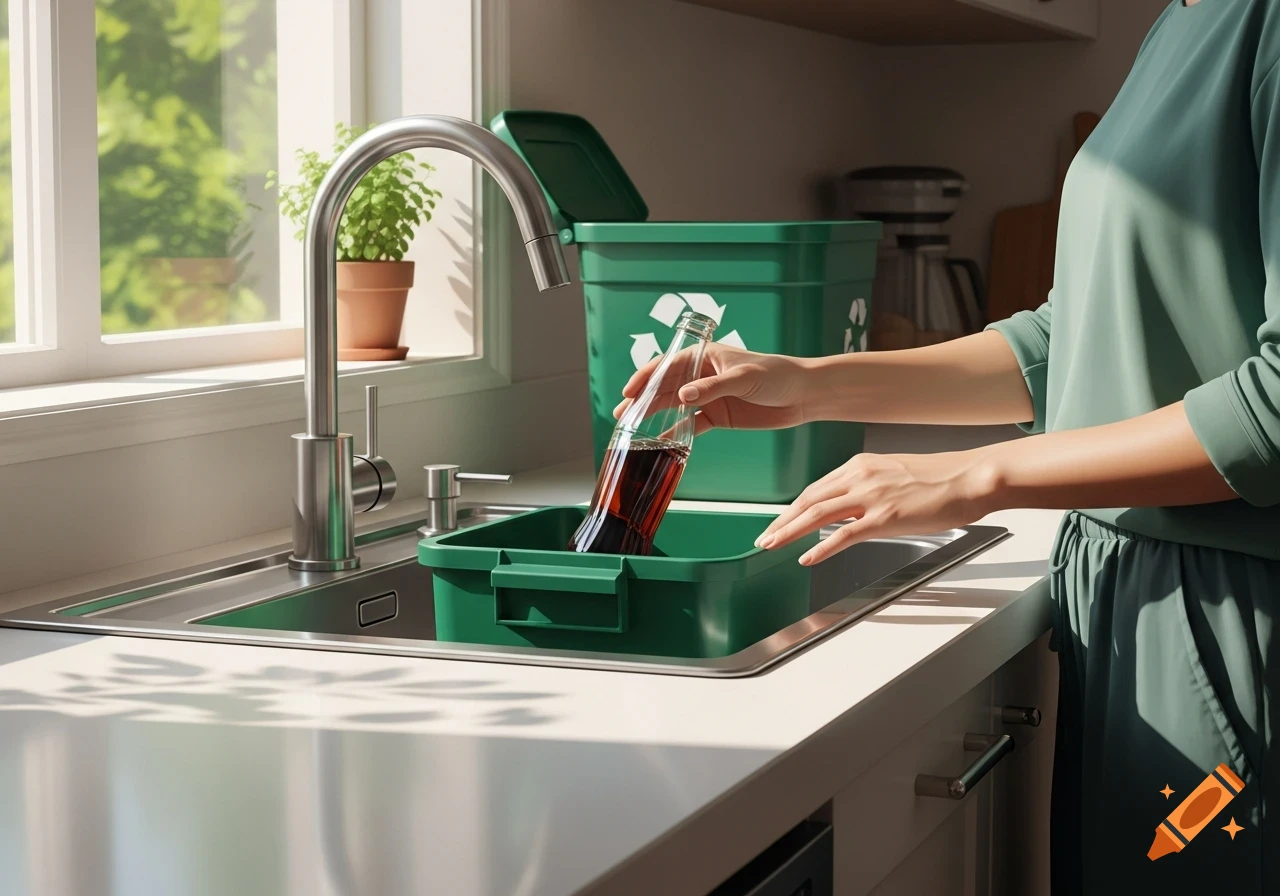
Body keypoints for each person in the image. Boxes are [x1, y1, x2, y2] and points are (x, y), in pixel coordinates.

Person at [621, 1, 1277, 891]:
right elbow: (1066, 340)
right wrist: (812, 381)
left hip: (1222, 614)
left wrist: (979, 476)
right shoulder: (1181, 22)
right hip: (1131, 598)